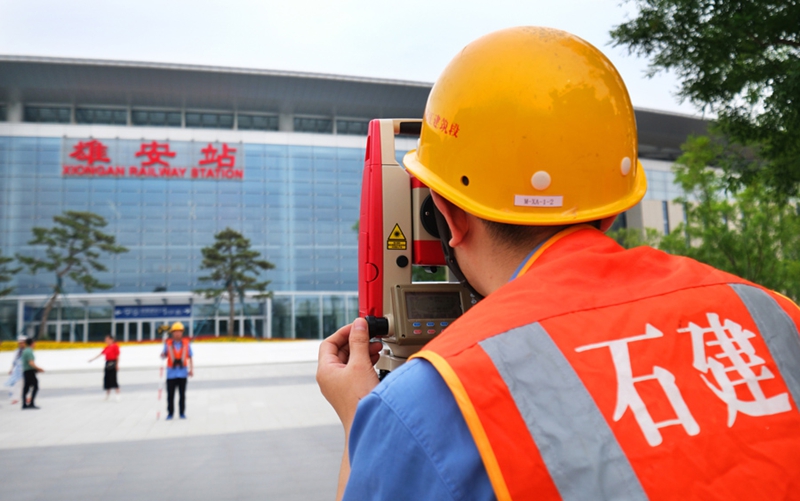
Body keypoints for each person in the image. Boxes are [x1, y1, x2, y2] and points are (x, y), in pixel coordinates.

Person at [316, 27, 800, 500]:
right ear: (611, 209)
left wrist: (365, 422)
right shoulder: (776, 318)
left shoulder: (426, 404)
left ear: (448, 215)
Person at [160, 321, 192, 420]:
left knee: (182, 395)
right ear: (172, 333)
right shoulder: (168, 344)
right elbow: (164, 355)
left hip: (183, 373)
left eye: (179, 331)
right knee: (170, 395)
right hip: (171, 374)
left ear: (182, 333)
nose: (177, 333)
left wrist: (191, 369)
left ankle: (182, 413)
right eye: (175, 331)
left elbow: (190, 357)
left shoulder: (186, 344)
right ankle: (170, 413)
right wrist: (162, 355)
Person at [89, 334, 121, 401]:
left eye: (107, 339)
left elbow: (117, 356)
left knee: (113, 379)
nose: (106, 341)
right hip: (107, 363)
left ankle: (118, 394)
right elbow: (101, 354)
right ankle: (107, 395)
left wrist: (117, 365)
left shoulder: (115, 346)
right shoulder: (107, 347)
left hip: (113, 363)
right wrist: (92, 359)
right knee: (107, 379)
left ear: (111, 340)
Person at [20, 337, 44, 410]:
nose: (35, 344)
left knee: (26, 387)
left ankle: (24, 404)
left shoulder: (25, 351)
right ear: (32, 343)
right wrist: (39, 368)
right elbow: (31, 363)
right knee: (35, 386)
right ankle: (31, 403)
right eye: (34, 343)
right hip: (29, 371)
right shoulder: (29, 351)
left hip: (26, 371)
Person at [4, 336, 27, 405]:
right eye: (20, 343)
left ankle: (26, 397)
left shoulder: (27, 351)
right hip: (17, 371)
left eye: (22, 343)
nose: (21, 344)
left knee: (26, 384)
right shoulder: (17, 351)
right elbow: (14, 361)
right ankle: (15, 398)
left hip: (25, 370)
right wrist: (11, 369)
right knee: (15, 385)